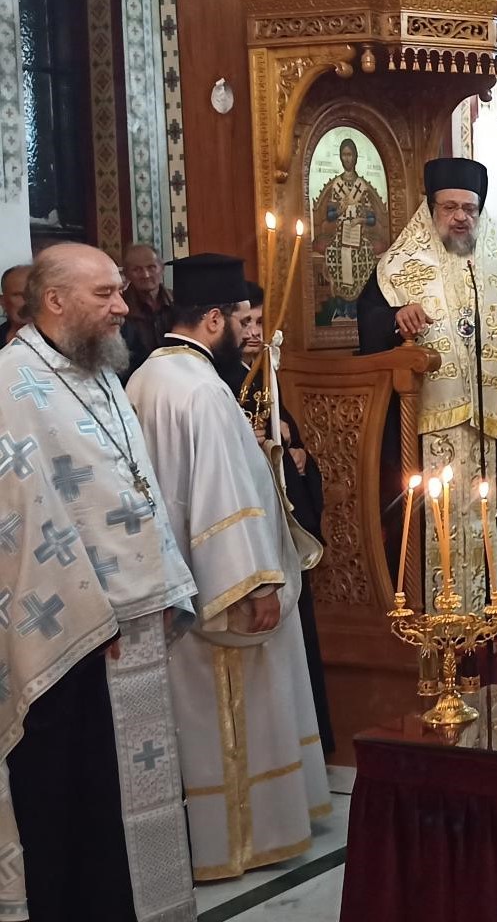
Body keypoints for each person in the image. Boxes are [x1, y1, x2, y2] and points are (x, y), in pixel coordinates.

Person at [0, 242, 197, 921]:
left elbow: (135, 485)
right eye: (105, 294)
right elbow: (23, 519)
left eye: (120, 291)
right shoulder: (12, 386)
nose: (122, 306)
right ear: (55, 301)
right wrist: (94, 615)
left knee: (129, 799)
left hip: (132, 621)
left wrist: (165, 587)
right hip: (67, 636)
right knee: (73, 804)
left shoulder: (100, 371)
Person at [127, 252, 330, 880]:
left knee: (190, 724)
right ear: (213, 319)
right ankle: (244, 840)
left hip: (174, 581)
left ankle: (203, 841)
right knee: (231, 715)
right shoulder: (203, 391)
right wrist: (257, 582)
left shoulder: (144, 378)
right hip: (220, 583)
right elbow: (222, 495)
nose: (246, 335)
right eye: (239, 322)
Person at [356, 157, 497, 639]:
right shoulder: (398, 268)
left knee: (496, 526)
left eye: (469, 208)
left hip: (491, 433)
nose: (461, 217)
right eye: (449, 208)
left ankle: (495, 623)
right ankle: (430, 625)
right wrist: (396, 320)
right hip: (426, 431)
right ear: (431, 210)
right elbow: (369, 327)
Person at [226, 282, 335, 756]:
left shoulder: (261, 376)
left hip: (285, 528)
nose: (254, 332)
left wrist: (296, 454)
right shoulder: (221, 383)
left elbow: (292, 446)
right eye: (245, 322)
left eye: (259, 321)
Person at [311, 137, 387, 321]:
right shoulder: (337, 185)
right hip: (341, 233)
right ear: (340, 157)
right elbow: (329, 215)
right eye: (344, 155)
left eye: (350, 154)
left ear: (355, 157)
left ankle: (358, 307)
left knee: (363, 254)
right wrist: (340, 210)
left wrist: (360, 219)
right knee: (337, 253)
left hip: (359, 233)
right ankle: (342, 307)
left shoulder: (362, 186)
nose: (347, 158)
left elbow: (372, 218)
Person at [119, 243, 173, 374]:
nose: (146, 275)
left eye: (151, 267)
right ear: (126, 274)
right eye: (137, 269)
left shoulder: (179, 302)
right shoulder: (119, 307)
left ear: (162, 268)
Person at [0, 262, 32, 345]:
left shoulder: (62, 340)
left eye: (35, 294)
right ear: (3, 301)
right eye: (19, 295)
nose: (29, 301)